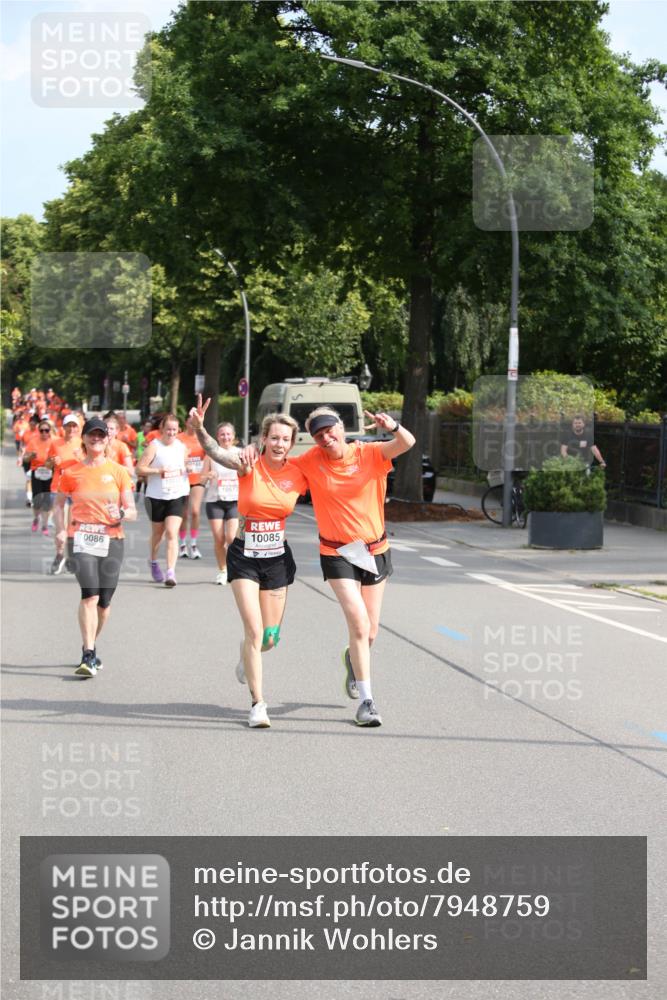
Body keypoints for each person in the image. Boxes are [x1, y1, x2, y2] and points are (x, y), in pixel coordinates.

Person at [243, 405, 415, 728]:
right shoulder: (310, 462)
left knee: (371, 631)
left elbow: (407, 443)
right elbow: (275, 462)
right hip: (336, 553)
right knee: (359, 625)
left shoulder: (370, 454)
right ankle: (367, 702)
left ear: (341, 427)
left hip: (375, 549)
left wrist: (392, 426)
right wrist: (254, 448)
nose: (326, 437)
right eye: (318, 434)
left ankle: (352, 660)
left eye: (329, 429)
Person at [190, 398, 307, 728]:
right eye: (274, 437)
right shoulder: (247, 464)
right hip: (244, 556)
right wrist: (199, 428)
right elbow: (215, 452)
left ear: (291, 443)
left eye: (286, 439)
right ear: (264, 439)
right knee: (254, 631)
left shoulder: (299, 471)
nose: (279, 443)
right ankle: (258, 703)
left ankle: (247, 656)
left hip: (277, 560)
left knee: (269, 638)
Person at [53, 417, 136, 677]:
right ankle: (88, 654)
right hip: (80, 537)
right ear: (85, 439)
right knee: (90, 595)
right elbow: (58, 504)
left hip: (112, 539)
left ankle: (91, 643)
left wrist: (121, 512)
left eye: (101, 435)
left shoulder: (118, 472)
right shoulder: (72, 472)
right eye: (92, 435)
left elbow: (132, 510)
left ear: (107, 438)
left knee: (105, 604)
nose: (96, 439)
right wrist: (59, 529)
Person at [136, 413, 189, 587]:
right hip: (156, 496)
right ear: (162, 429)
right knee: (158, 534)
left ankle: (171, 572)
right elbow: (139, 469)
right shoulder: (154, 446)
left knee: (172, 532)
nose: (171, 433)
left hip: (178, 494)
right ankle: (152, 561)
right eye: (168, 429)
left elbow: (186, 466)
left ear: (178, 430)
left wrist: (188, 469)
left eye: (174, 430)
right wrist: (158, 471)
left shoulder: (182, 447)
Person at [202, 422, 240, 584]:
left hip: (235, 501)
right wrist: (208, 475)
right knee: (219, 539)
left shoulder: (240, 453)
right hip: (215, 500)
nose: (226, 437)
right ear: (217, 437)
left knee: (231, 537)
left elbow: (249, 473)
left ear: (233, 436)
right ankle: (222, 570)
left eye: (228, 434)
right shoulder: (211, 454)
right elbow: (201, 477)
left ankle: (233, 567)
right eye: (222, 434)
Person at [46, 413, 83, 574]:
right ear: (64, 427)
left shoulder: (83, 443)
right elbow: (47, 464)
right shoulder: (56, 443)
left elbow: (90, 465)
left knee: (72, 528)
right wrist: (52, 462)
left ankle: (71, 557)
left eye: (74, 426)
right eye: (69, 425)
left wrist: (80, 457)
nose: (71, 429)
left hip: (76, 490)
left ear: (78, 428)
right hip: (58, 488)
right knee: (60, 528)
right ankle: (59, 555)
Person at [177, 414, 207, 559]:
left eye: (195, 421)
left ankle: (193, 544)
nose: (192, 423)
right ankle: (182, 544)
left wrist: (208, 472)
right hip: (182, 479)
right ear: (187, 422)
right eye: (190, 421)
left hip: (198, 479)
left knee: (195, 511)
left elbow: (209, 456)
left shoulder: (202, 437)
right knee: (183, 514)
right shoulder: (179, 438)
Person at [24, 418, 56, 534]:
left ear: (50, 431)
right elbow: (25, 458)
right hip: (36, 472)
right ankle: (36, 518)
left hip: (50, 473)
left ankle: (45, 525)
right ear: (38, 431)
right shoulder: (33, 441)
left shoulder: (55, 442)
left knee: (47, 500)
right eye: (41, 430)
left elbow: (59, 458)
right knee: (37, 500)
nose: (44, 433)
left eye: (46, 430)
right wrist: (31, 456)